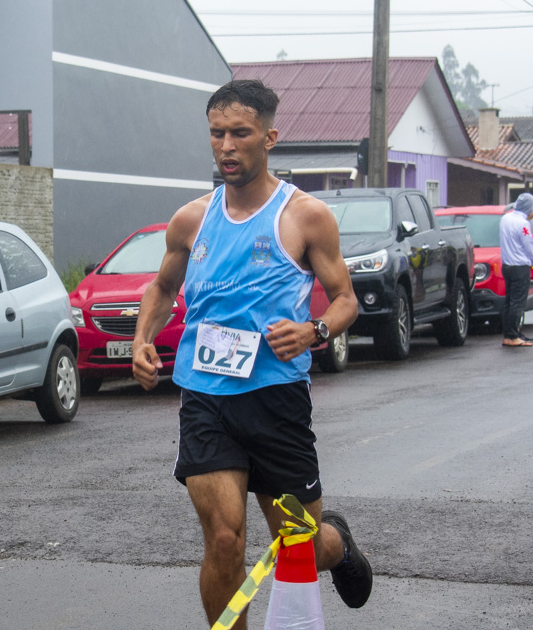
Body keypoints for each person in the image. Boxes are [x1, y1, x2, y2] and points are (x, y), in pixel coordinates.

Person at [132, 80, 371, 628]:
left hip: (276, 398)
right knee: (223, 539)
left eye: (240, 133)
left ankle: (339, 547)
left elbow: (345, 300)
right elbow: (163, 288)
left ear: (270, 137)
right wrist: (144, 339)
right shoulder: (191, 219)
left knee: (297, 547)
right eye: (217, 134)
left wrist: (313, 331)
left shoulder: (305, 216)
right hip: (207, 400)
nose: (226, 146)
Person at [499, 193, 533, 348]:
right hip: (520, 266)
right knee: (518, 303)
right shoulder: (522, 224)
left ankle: (510, 334)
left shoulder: (505, 219)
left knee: (509, 301)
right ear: (529, 207)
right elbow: (528, 243)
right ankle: (512, 336)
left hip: (507, 265)